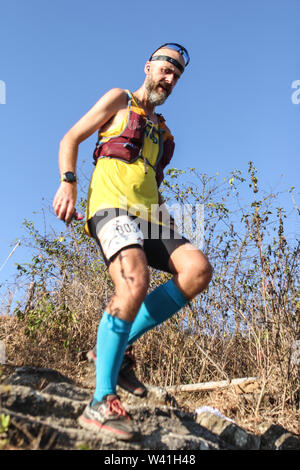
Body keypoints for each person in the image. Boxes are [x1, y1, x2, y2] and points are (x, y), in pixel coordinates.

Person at [53, 43, 213, 441]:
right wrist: (68, 183)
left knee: (196, 270)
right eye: (165, 68)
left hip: (150, 217)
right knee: (134, 281)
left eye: (176, 75)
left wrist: (172, 233)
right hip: (110, 209)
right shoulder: (118, 100)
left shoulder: (164, 134)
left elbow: (151, 188)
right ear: (148, 66)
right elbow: (70, 138)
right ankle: (101, 400)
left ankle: (119, 351)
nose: (170, 78)